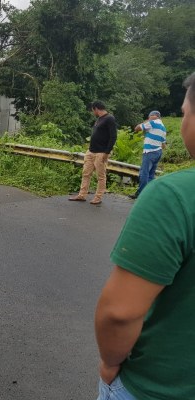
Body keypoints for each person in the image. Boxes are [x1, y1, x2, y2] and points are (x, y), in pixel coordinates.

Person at [95, 72, 195, 400]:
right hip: (158, 153)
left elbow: (119, 313)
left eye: (184, 113)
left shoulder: (176, 197)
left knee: (146, 178)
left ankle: (141, 194)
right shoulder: (164, 131)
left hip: (155, 388)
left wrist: (110, 363)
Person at [69, 101, 117, 205]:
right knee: (86, 173)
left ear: (96, 108)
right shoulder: (99, 119)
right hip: (91, 151)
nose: (92, 112)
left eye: (92, 110)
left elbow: (113, 137)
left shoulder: (109, 118)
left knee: (100, 176)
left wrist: (107, 152)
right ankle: (82, 195)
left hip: (101, 152)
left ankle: (98, 197)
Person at [128, 111, 167, 199]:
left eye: (150, 116)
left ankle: (140, 194)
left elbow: (137, 128)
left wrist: (146, 121)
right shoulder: (163, 127)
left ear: (153, 116)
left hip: (150, 151)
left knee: (144, 173)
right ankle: (149, 194)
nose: (149, 118)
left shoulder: (152, 123)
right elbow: (164, 145)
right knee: (151, 175)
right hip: (158, 152)